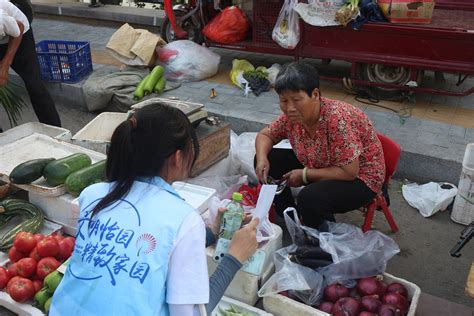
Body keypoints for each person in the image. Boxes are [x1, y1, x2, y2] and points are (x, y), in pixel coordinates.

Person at [50, 103, 259, 316]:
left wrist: (212, 232)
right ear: (177, 157)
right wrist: (234, 258)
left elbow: (144, 245)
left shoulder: (93, 194)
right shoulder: (183, 218)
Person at [255, 61, 385, 229]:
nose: (290, 108)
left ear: (315, 95)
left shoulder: (337, 120)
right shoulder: (292, 116)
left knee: (309, 198)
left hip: (360, 178)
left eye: (296, 100)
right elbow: (266, 134)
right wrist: (261, 158)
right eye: (284, 100)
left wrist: (305, 175)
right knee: (270, 160)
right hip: (320, 161)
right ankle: (289, 213)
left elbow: (349, 172)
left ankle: (324, 241)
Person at [0, 0, 61, 131]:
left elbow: (19, 28)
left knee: (35, 85)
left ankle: (56, 131)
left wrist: (5, 65)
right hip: (4, 34)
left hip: (20, 35)